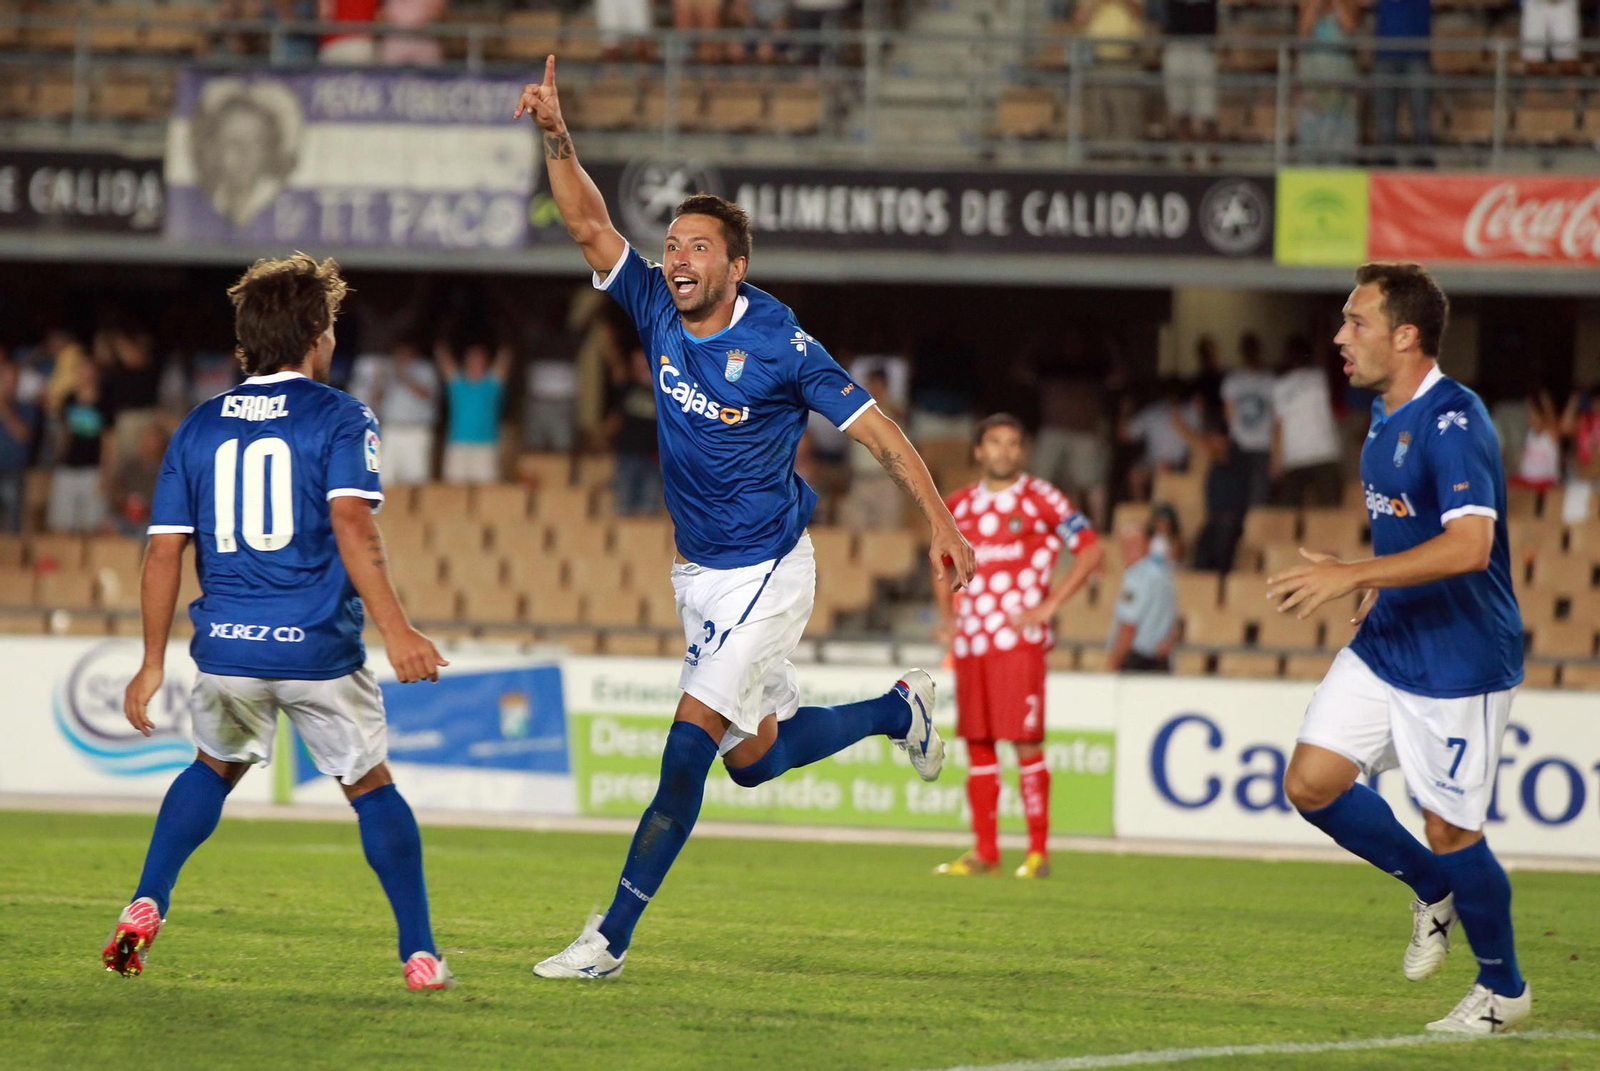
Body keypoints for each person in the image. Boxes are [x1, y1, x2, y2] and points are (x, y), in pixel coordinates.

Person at [516, 55, 976, 979]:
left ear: (736, 266)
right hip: (698, 575)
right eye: (673, 244)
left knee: (685, 750)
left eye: (697, 248)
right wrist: (558, 137)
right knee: (753, 760)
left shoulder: (780, 343)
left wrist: (941, 518)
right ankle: (898, 709)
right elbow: (589, 225)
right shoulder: (653, 304)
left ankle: (609, 938)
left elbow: (877, 430)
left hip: (768, 569)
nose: (678, 258)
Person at [104, 253, 455, 992]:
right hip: (316, 648)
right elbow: (352, 524)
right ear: (318, 332)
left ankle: (148, 897)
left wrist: (151, 661)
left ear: (247, 340)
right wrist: (398, 631)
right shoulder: (341, 416)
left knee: (212, 767)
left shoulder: (198, 426)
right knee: (371, 786)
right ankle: (419, 953)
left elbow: (163, 552)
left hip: (228, 647)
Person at [1268, 263, 1529, 1033]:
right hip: (1391, 639)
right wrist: (1379, 581)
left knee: (1451, 829)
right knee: (1311, 782)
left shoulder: (1455, 421)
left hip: (1460, 657)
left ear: (1406, 335)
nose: (1339, 336)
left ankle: (1504, 989)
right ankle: (1430, 886)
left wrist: (1354, 573)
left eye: (1356, 322)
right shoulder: (1384, 414)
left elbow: (1471, 545)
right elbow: (1412, 529)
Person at [932, 413, 1104, 879]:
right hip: (972, 642)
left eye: (1012, 443)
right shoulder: (958, 505)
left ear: (1023, 452)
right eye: (994, 442)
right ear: (978, 450)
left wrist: (1050, 605)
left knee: (1025, 742)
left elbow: (1091, 549)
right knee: (979, 744)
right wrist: (948, 620)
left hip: (1018, 641)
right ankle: (985, 852)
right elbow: (941, 562)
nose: (1003, 451)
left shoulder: (1042, 498)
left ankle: (1037, 851)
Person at [1271, 334, 1343, 508]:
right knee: (1330, 509)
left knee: (1290, 512)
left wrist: (1275, 462)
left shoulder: (1280, 386)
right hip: (1323, 452)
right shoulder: (1321, 378)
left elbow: (1278, 427)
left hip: (1295, 456)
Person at [353, 342, 439, 485]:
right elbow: (375, 402)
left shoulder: (424, 369)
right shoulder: (387, 370)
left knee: (416, 477)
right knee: (385, 476)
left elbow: (427, 395)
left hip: (416, 430)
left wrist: (403, 376)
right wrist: (380, 381)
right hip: (390, 429)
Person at [48, 360, 111, 534]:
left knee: (92, 524)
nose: (85, 376)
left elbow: (108, 440)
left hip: (92, 469)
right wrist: (58, 460)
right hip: (68, 467)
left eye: (88, 371)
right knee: (61, 522)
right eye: (81, 372)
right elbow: (64, 433)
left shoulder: (105, 401)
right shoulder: (68, 399)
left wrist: (105, 472)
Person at [1107, 522, 1177, 671]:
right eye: (1126, 545)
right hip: (1160, 659)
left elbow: (1128, 625)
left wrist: (1115, 662)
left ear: (1148, 546)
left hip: (1137, 660)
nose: (1129, 551)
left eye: (1134, 545)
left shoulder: (1137, 577)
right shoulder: (1165, 577)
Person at [436, 341, 509, 484]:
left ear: (486, 363)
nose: (475, 362)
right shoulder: (457, 383)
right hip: (458, 444)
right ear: (465, 362)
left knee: (487, 489)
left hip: (486, 446)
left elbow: (505, 357)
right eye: (472, 359)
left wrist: (507, 342)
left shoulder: (492, 384)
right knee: (453, 489)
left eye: (479, 359)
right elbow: (443, 358)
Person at [1220, 332, 1274, 506]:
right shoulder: (1232, 381)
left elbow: (1276, 416)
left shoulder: (1269, 379)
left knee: (1259, 498)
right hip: (1239, 447)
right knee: (1238, 495)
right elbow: (1228, 415)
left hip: (1262, 447)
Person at [607, 347, 663, 516]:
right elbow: (614, 419)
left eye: (645, 362)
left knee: (649, 507)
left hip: (654, 458)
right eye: (638, 363)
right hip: (628, 455)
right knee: (623, 505)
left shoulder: (666, 390)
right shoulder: (627, 387)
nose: (641, 366)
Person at [1372, 0, 1432, 152]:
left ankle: (1423, 155)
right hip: (1385, 56)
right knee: (1385, 116)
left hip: (1417, 57)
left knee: (1421, 114)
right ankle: (1385, 156)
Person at [1161, 0, 1219, 151]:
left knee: (1208, 113)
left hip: (1202, 50)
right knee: (1181, 113)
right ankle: (1187, 160)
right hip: (1176, 49)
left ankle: (1213, 157)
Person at [0, 354, 38, 533]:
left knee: (12, 523)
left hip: (13, 471)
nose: (10, 384)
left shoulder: (26, 407)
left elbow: (23, 434)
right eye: (5, 380)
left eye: (14, 380)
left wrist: (5, 410)